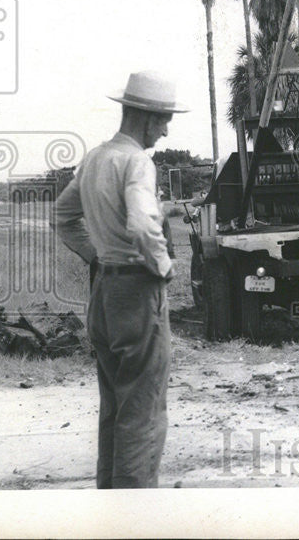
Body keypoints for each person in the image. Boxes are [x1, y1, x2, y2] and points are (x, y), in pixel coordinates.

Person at [53, 70, 188, 488]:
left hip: (104, 292)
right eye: (164, 120)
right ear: (146, 117)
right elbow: (144, 225)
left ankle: (109, 506)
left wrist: (99, 256)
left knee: (114, 405)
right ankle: (135, 518)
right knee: (143, 410)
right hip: (136, 290)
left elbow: (63, 215)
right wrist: (164, 269)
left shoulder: (95, 157)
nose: (165, 131)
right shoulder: (136, 162)